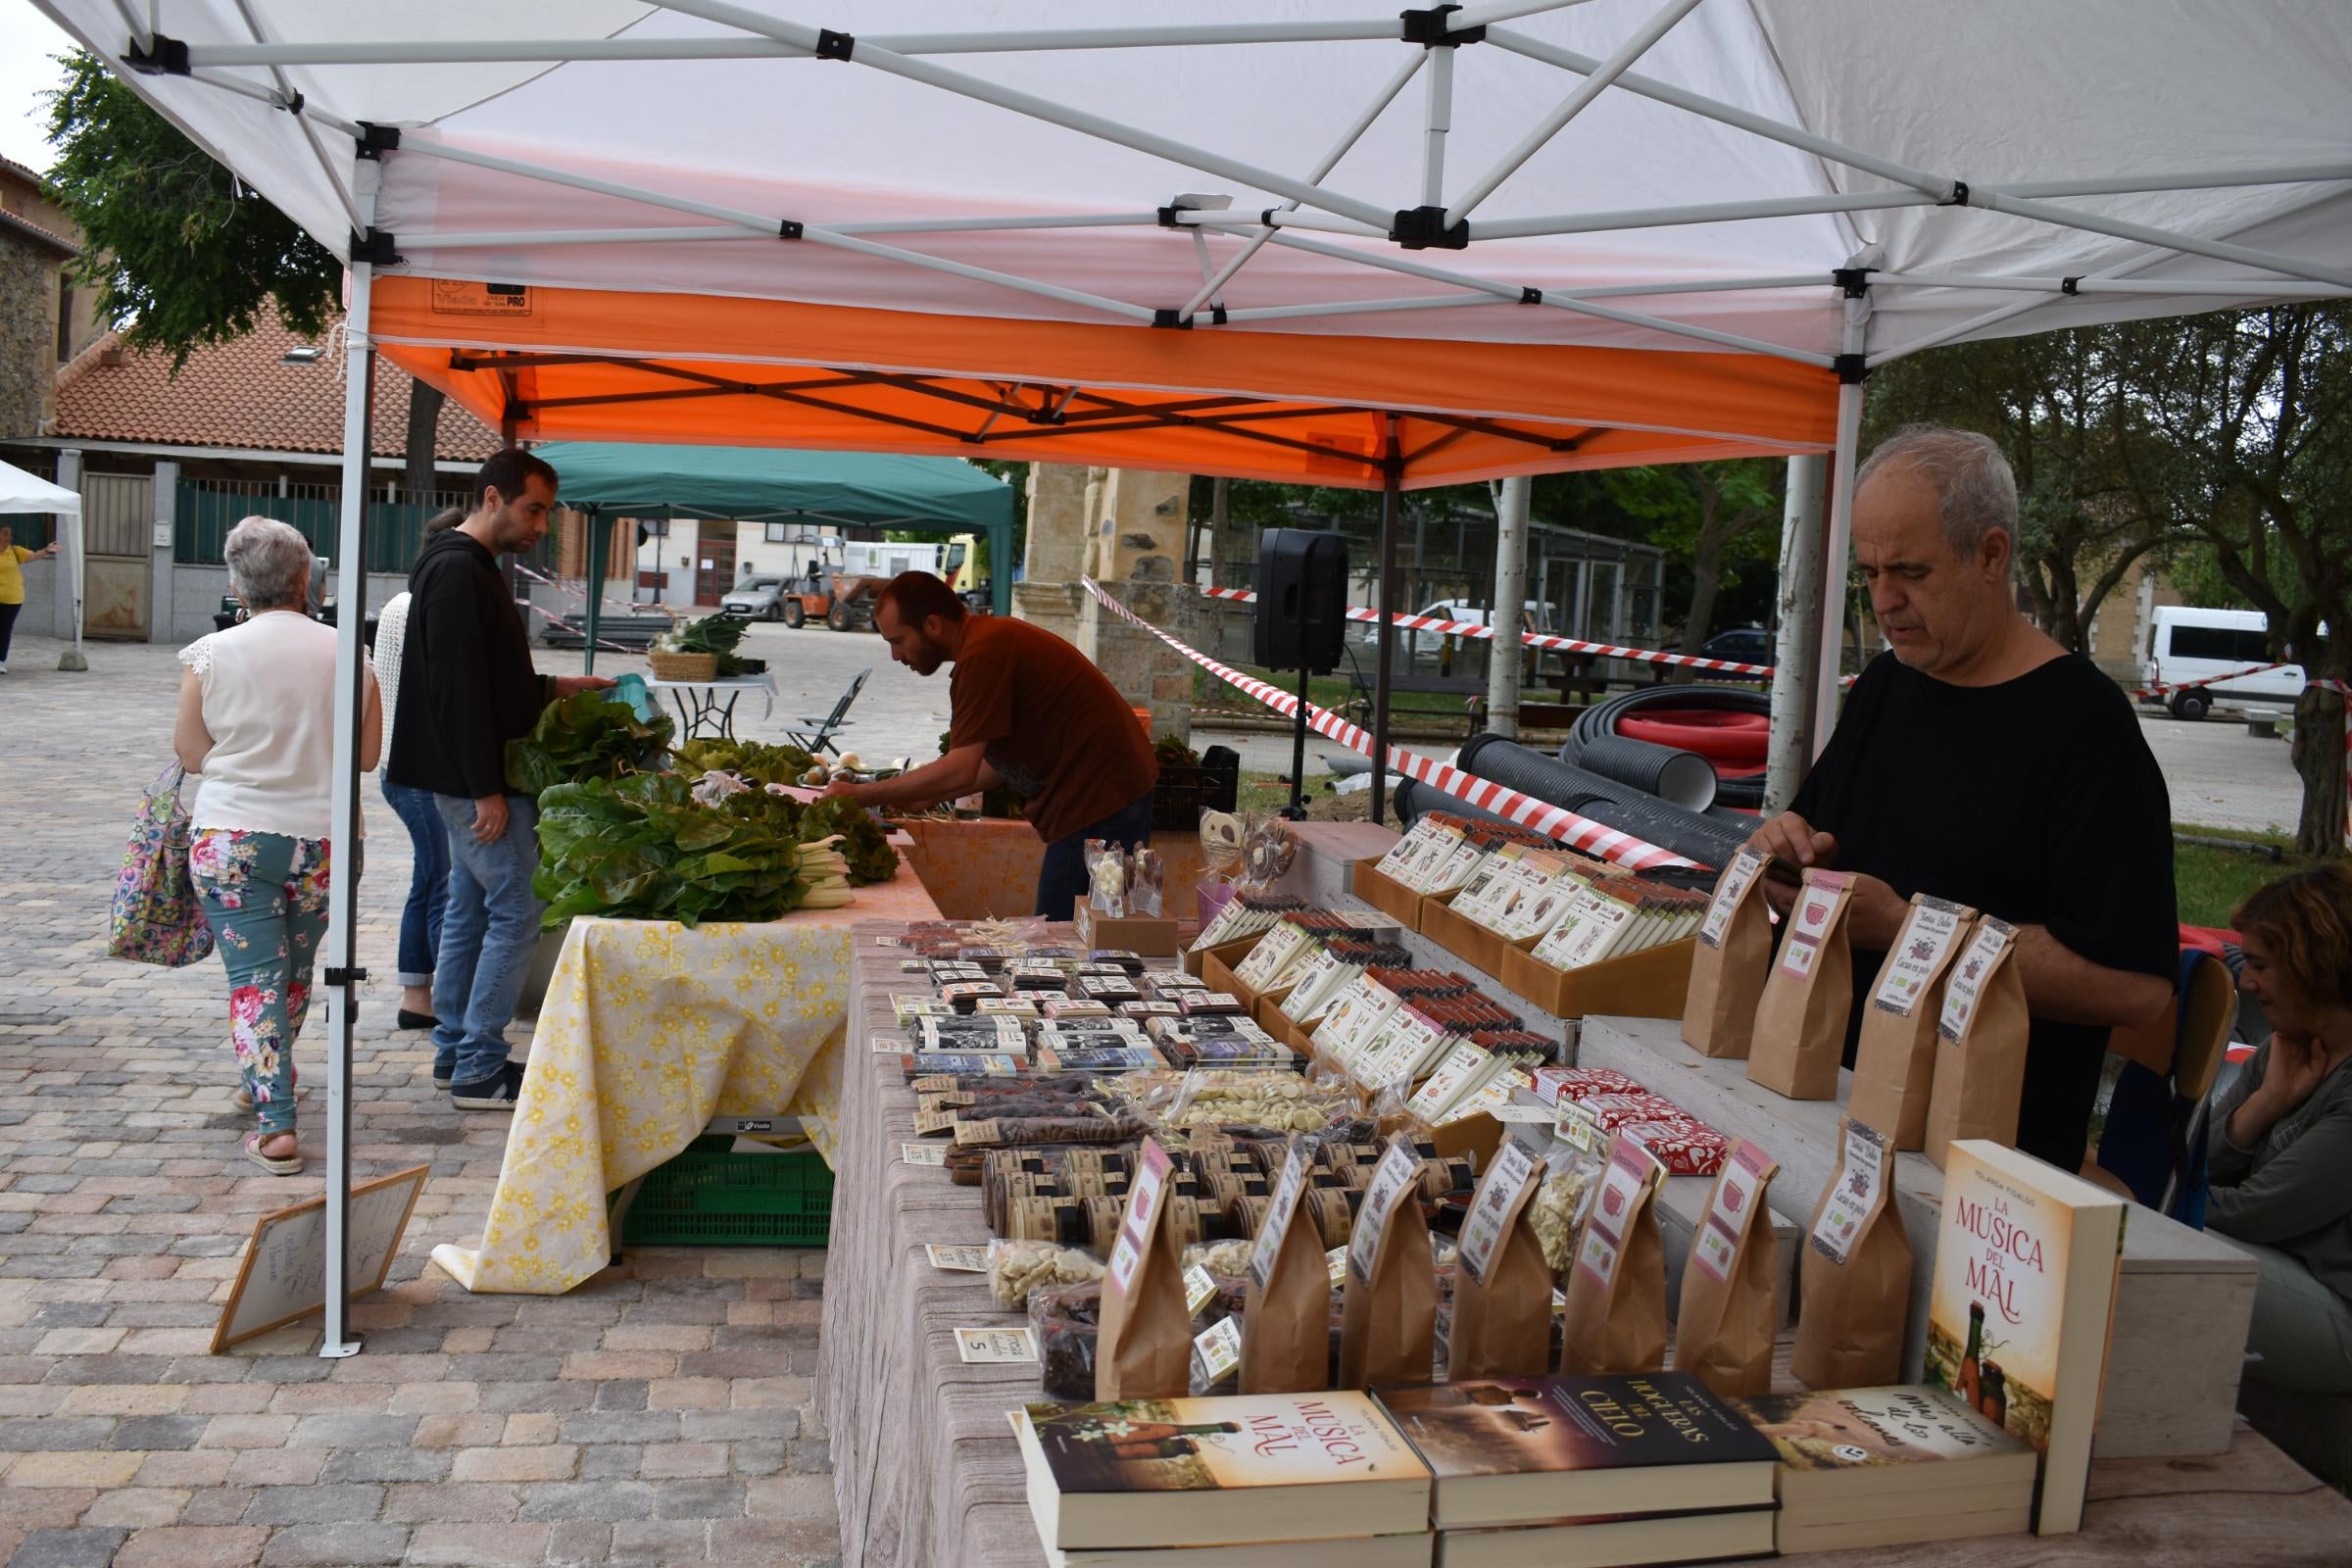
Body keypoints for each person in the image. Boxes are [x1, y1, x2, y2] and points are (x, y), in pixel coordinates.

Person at [1747, 425, 2177, 1173]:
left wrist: (1914, 933)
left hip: (1976, 1165)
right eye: (1870, 572)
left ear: (1991, 554)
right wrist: (1780, 853)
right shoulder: (1889, 684)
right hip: (1827, 1110)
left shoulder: (2085, 727)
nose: (1886, 600)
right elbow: (1820, 846)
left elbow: (2137, 990)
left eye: (1911, 571)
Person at [385, 450, 610, 1109]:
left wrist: (557, 685)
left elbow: (489, 678)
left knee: (470, 907)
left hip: (465, 775)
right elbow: (457, 692)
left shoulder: (465, 566)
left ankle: (456, 1050)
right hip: (475, 781)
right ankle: (480, 1065)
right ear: (492, 498)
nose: (542, 525)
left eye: (546, 511)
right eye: (533, 509)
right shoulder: (458, 570)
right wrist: (485, 788)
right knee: (517, 909)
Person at [173, 516, 380, 1174]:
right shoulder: (349, 651)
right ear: (305, 579)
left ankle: (275, 1120)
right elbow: (368, 755)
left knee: (253, 980)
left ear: (237, 582)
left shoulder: (211, 653)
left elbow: (191, 752)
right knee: (290, 975)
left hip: (233, 837)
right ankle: (264, 1076)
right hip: (324, 840)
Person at [822, 572, 1156, 918]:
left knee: (1061, 937)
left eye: (898, 641)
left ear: (933, 625)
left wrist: (865, 794)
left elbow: (961, 767)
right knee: (1082, 931)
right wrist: (929, 795)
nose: (895, 655)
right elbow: (991, 764)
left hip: (1100, 800)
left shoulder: (983, 655)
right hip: (1109, 793)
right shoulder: (986, 642)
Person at [2205, 865, 2352, 1394]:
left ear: (2313, 966)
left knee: (2151, 1248)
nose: (2247, 982)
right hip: (2286, 1269)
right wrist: (2266, 1104)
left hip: (2338, 1310)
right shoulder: (2286, 1047)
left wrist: (2136, 1198)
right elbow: (2201, 1159)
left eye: (2262, 966)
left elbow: (2252, 1213)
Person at [372, 507, 466, 1033]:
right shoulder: (419, 606)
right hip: (415, 769)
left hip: (402, 766)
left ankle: (419, 992)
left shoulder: (402, 603)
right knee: (440, 880)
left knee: (431, 877)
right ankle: (431, 998)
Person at [0, 522, 61, 674]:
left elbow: (33, 556)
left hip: (12, 598)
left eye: (9, 534)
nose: (9, 537)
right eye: (5, 533)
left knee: (4, 629)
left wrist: (47, 550)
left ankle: (0, 660)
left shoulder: (14, 551)